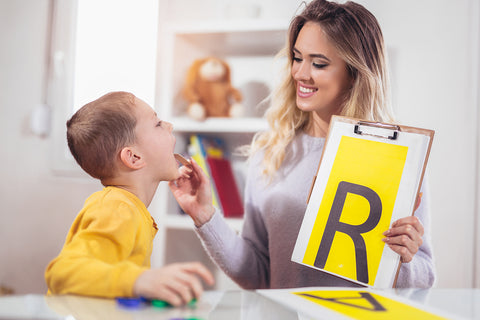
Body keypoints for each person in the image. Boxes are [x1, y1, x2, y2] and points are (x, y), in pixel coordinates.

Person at [169, 0, 435, 289]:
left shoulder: (396, 158)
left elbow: (426, 275)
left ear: (355, 73)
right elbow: (257, 272)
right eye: (297, 58)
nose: (300, 74)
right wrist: (204, 215)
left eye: (318, 63)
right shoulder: (270, 153)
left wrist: (404, 259)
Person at [45, 91, 214, 306]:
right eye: (158, 124)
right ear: (134, 157)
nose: (169, 125)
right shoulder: (117, 208)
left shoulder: (128, 207)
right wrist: (140, 280)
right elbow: (62, 273)